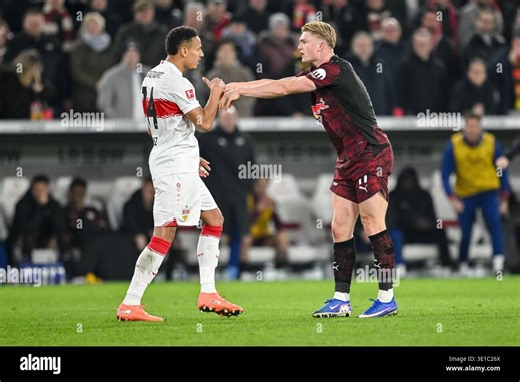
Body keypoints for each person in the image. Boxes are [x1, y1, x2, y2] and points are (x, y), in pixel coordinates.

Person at [220, 21, 398, 318]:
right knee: (340, 227)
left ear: (322, 45)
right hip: (347, 159)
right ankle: (341, 299)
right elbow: (280, 84)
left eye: (304, 41)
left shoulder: (337, 70)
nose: (299, 46)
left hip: (371, 152)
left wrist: (239, 88)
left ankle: (386, 296)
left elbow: (284, 86)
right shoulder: (318, 77)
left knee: (371, 222)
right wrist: (238, 87)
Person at [117, 26, 243, 322]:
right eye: (198, 48)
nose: (201, 53)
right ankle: (130, 302)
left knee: (214, 219)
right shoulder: (179, 82)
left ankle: (208, 292)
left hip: (175, 157)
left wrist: (189, 152)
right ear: (183, 50)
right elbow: (205, 122)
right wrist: (215, 93)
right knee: (165, 231)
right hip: (173, 164)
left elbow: (156, 125)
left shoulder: (152, 75)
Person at [441, 113, 510, 274]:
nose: (472, 130)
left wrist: (504, 198)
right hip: (466, 194)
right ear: (464, 127)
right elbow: (445, 174)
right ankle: (463, 263)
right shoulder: (454, 144)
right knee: (466, 232)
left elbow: (503, 170)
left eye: (475, 126)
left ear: (480, 128)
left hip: (489, 193)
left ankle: (498, 264)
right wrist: (452, 198)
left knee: (495, 226)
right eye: (469, 126)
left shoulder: (492, 143)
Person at [197, 106, 255, 279]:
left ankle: (234, 269)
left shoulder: (245, 140)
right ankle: (210, 272)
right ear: (219, 120)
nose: (228, 121)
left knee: (240, 235)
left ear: (236, 119)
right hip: (215, 196)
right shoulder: (207, 139)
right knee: (215, 233)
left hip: (238, 197)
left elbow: (252, 166)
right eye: (225, 118)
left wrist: (248, 188)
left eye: (231, 118)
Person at [387, 167, 452, 276]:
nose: (409, 182)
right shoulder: (393, 196)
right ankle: (400, 267)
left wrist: (428, 224)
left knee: (441, 231)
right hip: (404, 232)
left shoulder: (424, 196)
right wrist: (413, 222)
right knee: (395, 233)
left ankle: (447, 266)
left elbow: (434, 218)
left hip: (422, 232)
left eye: (411, 179)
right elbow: (392, 221)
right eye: (406, 180)